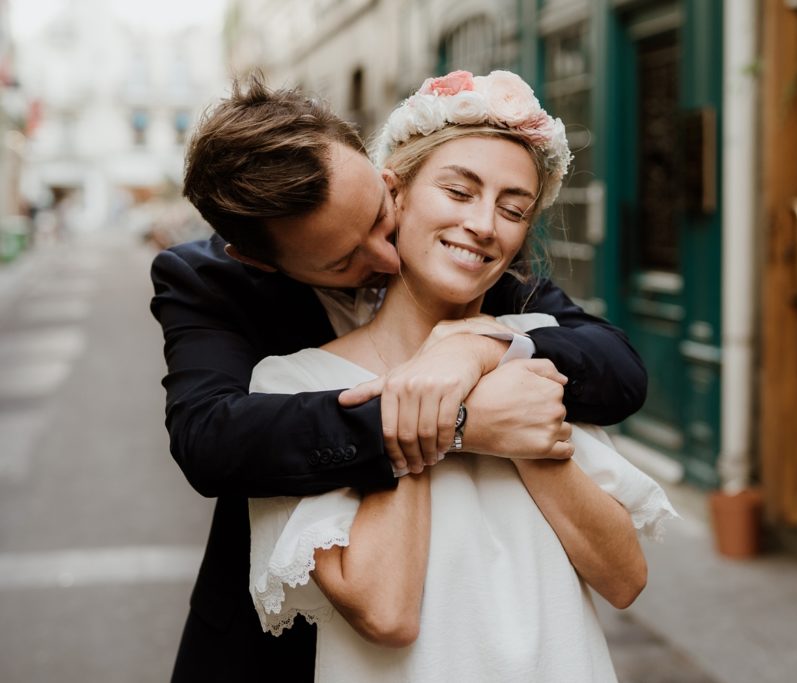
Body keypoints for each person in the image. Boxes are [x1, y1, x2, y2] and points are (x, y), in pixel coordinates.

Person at [150, 75, 647, 680]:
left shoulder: (503, 305)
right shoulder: (222, 299)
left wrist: (480, 348)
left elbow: (615, 367)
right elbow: (211, 439)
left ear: (385, 173)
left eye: (378, 212)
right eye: (344, 258)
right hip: (292, 653)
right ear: (261, 259)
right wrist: (452, 418)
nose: (384, 259)